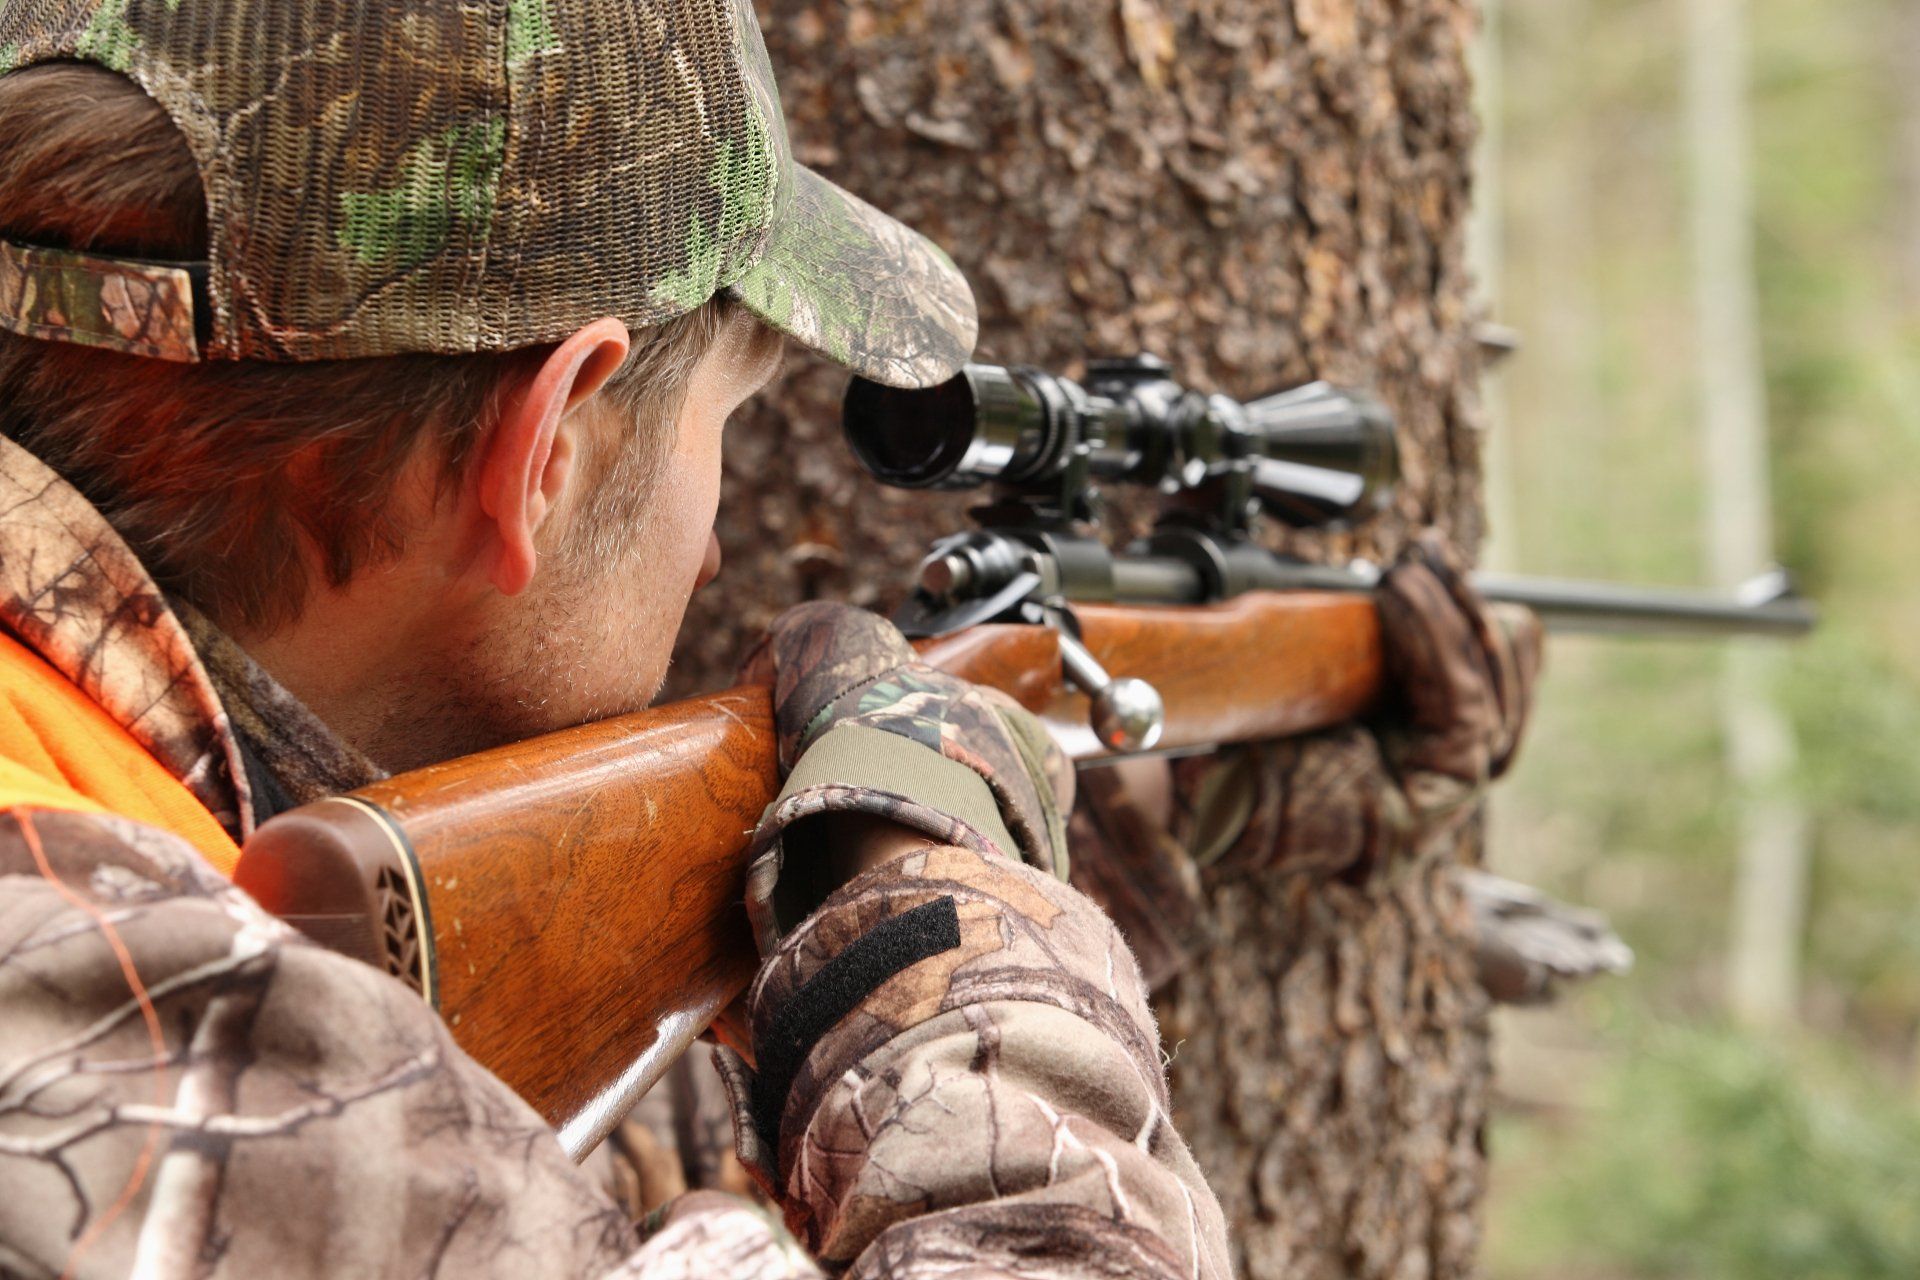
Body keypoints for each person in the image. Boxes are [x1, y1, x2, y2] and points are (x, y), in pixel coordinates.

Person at [0, 0, 1536, 1276]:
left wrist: (1079, 823)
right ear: (549, 443)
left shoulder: (94, 830)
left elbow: (447, 1135)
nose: (717, 534)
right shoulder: (89, 997)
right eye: (726, 418)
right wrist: (957, 952)